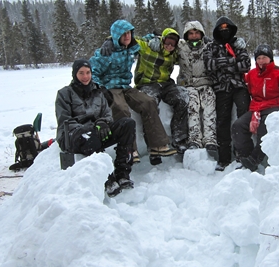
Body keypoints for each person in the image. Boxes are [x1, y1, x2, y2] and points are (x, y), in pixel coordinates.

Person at [89, 20, 177, 165]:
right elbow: (92, 72)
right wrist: (100, 88)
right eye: (123, 34)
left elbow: (144, 40)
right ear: (116, 36)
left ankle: (157, 145)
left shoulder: (131, 48)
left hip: (126, 87)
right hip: (111, 88)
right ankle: (130, 148)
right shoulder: (105, 53)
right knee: (121, 109)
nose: (127, 36)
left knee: (148, 102)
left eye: (129, 33)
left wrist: (155, 38)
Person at [55, 59, 136, 197]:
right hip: (74, 136)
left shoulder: (98, 92)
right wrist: (91, 127)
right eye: (81, 73)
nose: (85, 77)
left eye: (88, 73)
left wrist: (103, 122)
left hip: (97, 131)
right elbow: (65, 121)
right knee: (90, 135)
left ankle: (122, 173)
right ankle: (107, 179)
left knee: (128, 124)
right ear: (75, 74)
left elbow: (107, 113)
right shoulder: (65, 94)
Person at [231, 44, 279, 172]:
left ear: (270, 58)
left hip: (276, 107)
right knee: (238, 125)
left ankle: (255, 158)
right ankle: (245, 156)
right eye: (258, 58)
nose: (261, 61)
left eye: (264, 57)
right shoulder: (252, 74)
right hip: (257, 108)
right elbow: (242, 81)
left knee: (264, 126)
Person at [203, 16, 251, 171]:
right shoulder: (211, 47)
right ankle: (224, 158)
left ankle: (243, 154)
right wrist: (232, 61)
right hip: (221, 88)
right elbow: (209, 65)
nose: (224, 31)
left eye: (227, 29)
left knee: (243, 116)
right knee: (222, 121)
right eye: (221, 29)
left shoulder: (238, 44)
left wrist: (223, 63)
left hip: (238, 86)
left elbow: (245, 65)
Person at [135, 28, 189, 154]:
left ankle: (179, 139)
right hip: (147, 83)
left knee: (182, 100)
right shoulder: (148, 47)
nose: (169, 46)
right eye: (167, 43)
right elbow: (129, 39)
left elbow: (189, 45)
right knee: (149, 103)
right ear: (162, 40)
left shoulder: (174, 53)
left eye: (172, 44)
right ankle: (153, 144)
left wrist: (206, 41)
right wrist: (147, 37)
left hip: (166, 84)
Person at [176, 20, 218, 160]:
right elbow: (166, 44)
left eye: (197, 33)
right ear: (186, 35)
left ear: (201, 34)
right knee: (192, 105)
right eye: (191, 34)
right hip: (188, 85)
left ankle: (210, 138)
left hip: (205, 83)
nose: (194, 36)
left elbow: (226, 45)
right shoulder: (180, 47)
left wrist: (238, 42)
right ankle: (194, 138)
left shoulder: (209, 47)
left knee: (209, 102)